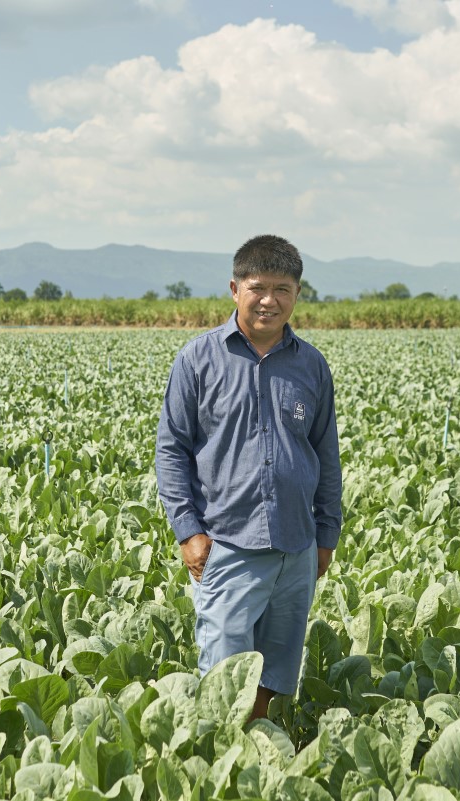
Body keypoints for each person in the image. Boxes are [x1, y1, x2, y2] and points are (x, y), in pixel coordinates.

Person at [155, 234, 342, 720]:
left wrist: (326, 535)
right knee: (223, 678)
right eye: (258, 287)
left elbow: (325, 455)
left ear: (297, 295)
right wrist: (188, 532)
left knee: (274, 671)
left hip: (296, 547)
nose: (269, 300)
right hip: (227, 544)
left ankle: (256, 758)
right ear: (235, 289)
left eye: (283, 289)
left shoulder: (312, 365)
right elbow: (171, 450)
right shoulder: (198, 360)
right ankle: (223, 766)